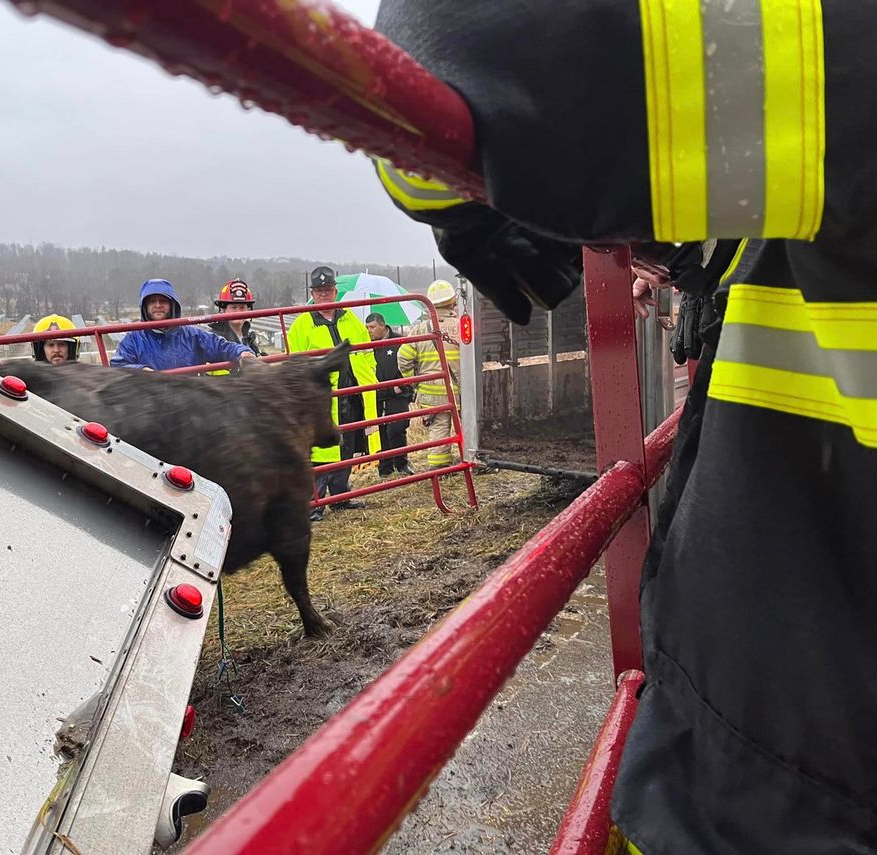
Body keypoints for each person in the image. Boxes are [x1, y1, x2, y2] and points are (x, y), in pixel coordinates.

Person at [373, 2, 877, 852]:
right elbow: (792, 245)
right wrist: (671, 253)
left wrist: (446, 181)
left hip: (784, 794)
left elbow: (461, 46)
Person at [287, 265, 380, 522]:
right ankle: (315, 503)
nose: (324, 295)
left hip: (353, 392)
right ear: (312, 294)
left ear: (335, 291)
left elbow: (367, 351)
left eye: (328, 290)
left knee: (347, 445)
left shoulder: (350, 318)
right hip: (322, 399)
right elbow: (295, 365)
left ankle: (340, 496)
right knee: (320, 449)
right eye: (319, 291)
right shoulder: (301, 325)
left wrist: (367, 376)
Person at [110, 279, 258, 372]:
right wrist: (143, 371)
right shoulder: (134, 339)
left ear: (172, 304)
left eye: (163, 301)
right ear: (144, 306)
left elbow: (220, 346)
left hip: (189, 405)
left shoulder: (192, 335)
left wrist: (243, 353)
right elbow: (118, 365)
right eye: (152, 301)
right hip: (150, 405)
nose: (158, 305)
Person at [397, 280, 461, 470]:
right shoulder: (462, 326)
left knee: (439, 429)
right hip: (461, 392)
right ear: (452, 302)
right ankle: (472, 462)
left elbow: (403, 358)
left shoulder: (420, 329)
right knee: (468, 428)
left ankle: (440, 469)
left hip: (431, 393)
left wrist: (413, 380)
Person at [365, 311, 414, 478]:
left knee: (396, 429)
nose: (369, 331)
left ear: (382, 325)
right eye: (366, 328)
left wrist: (403, 386)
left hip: (397, 394)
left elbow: (410, 364)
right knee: (380, 431)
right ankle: (385, 468)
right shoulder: (366, 346)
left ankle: (402, 464)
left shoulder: (400, 341)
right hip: (377, 395)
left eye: (372, 327)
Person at [209, 278, 265, 356]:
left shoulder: (249, 337)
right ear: (223, 310)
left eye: (242, 308)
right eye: (234, 307)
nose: (238, 312)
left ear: (248, 310)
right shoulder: (213, 339)